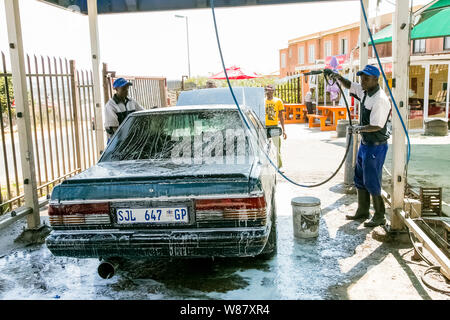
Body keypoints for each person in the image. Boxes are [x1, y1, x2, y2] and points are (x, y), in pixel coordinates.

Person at [325, 65, 391, 227]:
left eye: (366, 79)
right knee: (360, 178)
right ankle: (362, 210)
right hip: (365, 144)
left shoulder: (380, 100)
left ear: (376, 80)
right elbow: (350, 85)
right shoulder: (365, 91)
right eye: (362, 78)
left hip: (376, 146)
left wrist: (358, 128)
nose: (362, 81)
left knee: (372, 180)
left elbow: (376, 125)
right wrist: (337, 77)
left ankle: (380, 215)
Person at [264, 84, 287, 168]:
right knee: (263, 148)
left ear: (273, 91)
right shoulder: (262, 101)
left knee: (277, 147)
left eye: (270, 89)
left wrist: (284, 130)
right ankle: (265, 165)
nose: (268, 91)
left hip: (274, 126)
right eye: (267, 89)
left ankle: (279, 166)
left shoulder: (278, 101)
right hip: (264, 126)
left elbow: (281, 116)